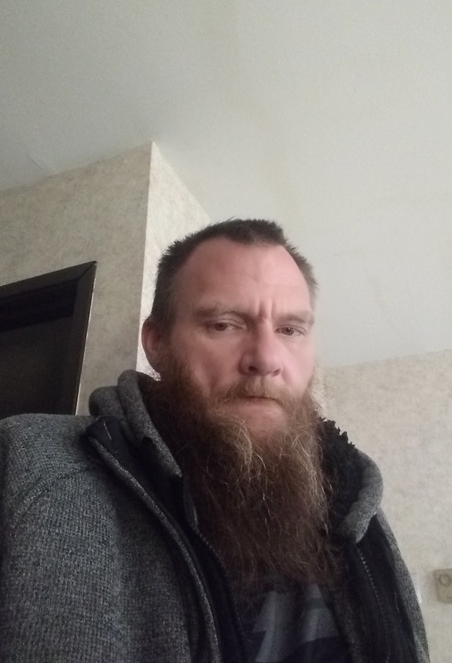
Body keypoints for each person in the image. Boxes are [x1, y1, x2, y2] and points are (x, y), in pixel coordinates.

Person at [0, 218, 429, 663]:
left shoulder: (358, 504)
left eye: (290, 330)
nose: (266, 359)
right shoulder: (29, 465)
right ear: (157, 343)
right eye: (224, 324)